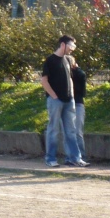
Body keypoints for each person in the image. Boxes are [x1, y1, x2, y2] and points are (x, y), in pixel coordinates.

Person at [40, 35, 89, 167]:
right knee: (53, 130)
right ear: (62, 44)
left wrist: (71, 96)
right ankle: (50, 159)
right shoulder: (50, 60)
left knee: (71, 130)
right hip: (56, 101)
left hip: (69, 101)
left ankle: (75, 158)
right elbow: (44, 80)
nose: (72, 49)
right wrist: (54, 96)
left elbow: (70, 79)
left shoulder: (67, 60)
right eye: (71, 46)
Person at [67, 55, 87, 161]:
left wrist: (76, 70)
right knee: (69, 132)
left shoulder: (79, 74)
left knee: (77, 131)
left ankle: (82, 155)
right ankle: (71, 156)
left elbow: (82, 92)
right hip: (67, 104)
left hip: (78, 103)